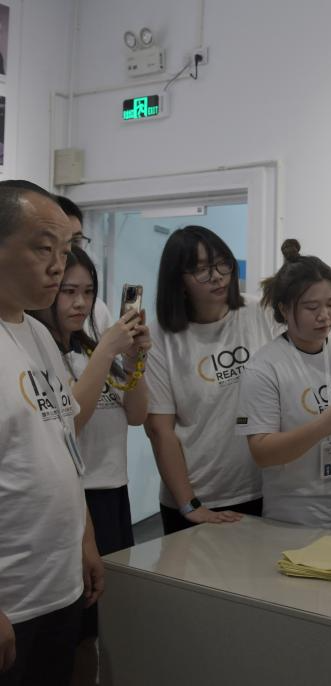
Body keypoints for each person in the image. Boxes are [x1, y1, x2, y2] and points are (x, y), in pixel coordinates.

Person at [28, 246, 151, 684]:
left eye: (88, 291)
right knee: (73, 629)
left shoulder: (90, 349)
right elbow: (70, 423)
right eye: (68, 292)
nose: (80, 303)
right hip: (74, 502)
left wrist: (134, 358)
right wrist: (106, 353)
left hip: (113, 493)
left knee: (99, 627)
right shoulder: (37, 355)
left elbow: (137, 414)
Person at [0, 180, 103, 685]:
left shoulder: (37, 333)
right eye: (43, 249)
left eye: (65, 251)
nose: (58, 266)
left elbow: (63, 444)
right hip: (10, 600)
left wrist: (85, 538)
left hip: (58, 586)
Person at [237, 240, 331, 534]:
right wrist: (323, 426)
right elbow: (262, 453)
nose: (324, 315)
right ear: (284, 309)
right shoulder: (264, 368)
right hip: (297, 517)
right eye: (311, 307)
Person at [144, 226, 279, 535]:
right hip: (197, 497)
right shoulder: (160, 336)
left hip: (265, 487)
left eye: (222, 264)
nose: (217, 276)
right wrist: (189, 505)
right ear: (178, 280)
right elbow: (160, 430)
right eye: (202, 270)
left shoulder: (259, 312)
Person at [55, 195, 113, 339]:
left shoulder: (98, 310)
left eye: (76, 240)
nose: (70, 250)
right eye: (69, 291)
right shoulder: (31, 312)